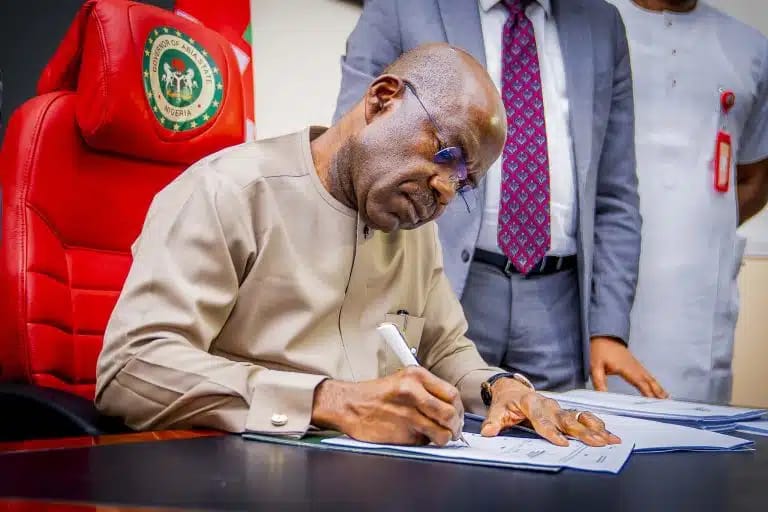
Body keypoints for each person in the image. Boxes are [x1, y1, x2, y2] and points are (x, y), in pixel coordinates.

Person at [95, 44, 619, 447]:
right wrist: (330, 401)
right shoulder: (229, 192)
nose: (445, 189)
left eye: (464, 185)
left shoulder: (415, 231)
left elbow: (446, 349)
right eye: (446, 155)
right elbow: (131, 368)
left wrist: (502, 388)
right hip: (233, 472)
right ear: (382, 99)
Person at [334, 0, 666, 397]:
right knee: (433, 424)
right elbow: (356, 143)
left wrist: (607, 328)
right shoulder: (401, 7)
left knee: (551, 428)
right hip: (439, 287)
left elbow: (615, 191)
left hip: (558, 305)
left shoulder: (601, 23)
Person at [605, 0, 768, 402]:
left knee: (693, 431)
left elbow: (754, 178)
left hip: (696, 313)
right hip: (599, 305)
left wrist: (698, 234)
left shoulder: (750, 49)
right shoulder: (594, 27)